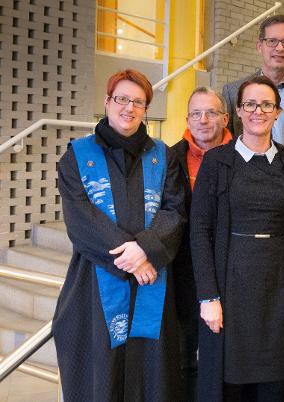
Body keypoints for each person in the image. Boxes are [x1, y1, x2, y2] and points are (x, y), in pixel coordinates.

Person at [53, 69, 186, 401]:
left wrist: (146, 249)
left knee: (150, 374)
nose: (129, 108)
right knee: (102, 373)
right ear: (107, 101)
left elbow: (174, 210)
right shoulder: (77, 155)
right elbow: (79, 216)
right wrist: (134, 258)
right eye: (122, 99)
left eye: (138, 102)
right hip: (95, 281)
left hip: (152, 279)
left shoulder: (163, 155)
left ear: (146, 109)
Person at [190, 76, 284, 402]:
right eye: (251, 104)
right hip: (230, 289)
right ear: (238, 111)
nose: (258, 111)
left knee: (276, 382)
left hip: (279, 290)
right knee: (229, 383)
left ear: (278, 112)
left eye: (267, 105)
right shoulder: (216, 161)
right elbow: (199, 230)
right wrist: (207, 296)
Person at [171, 87, 233, 401]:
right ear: (187, 119)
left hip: (230, 271)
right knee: (183, 355)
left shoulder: (244, 155)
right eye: (196, 113)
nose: (203, 119)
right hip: (181, 271)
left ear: (225, 118)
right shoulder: (170, 158)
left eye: (211, 112)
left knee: (226, 358)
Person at [222, 14, 284, 147]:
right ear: (259, 46)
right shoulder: (233, 92)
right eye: (272, 41)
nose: (279, 48)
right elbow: (227, 143)